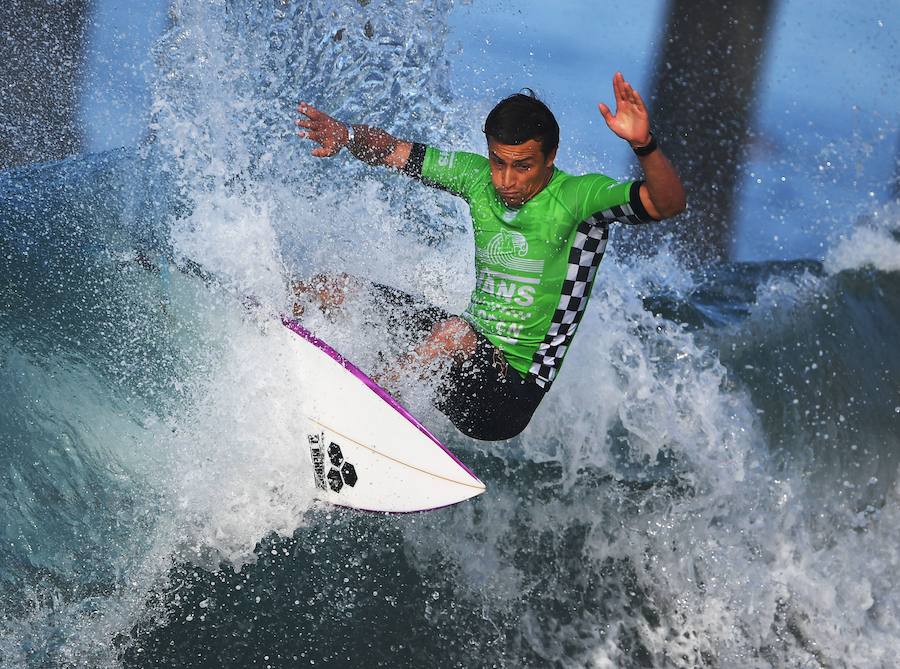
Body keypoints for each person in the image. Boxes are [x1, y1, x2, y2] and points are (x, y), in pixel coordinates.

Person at [294, 72, 686, 441]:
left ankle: (357, 412)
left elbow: (666, 204)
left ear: (551, 157)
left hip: (509, 399)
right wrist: (344, 135)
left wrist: (643, 144)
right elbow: (392, 150)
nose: (505, 180)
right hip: (455, 366)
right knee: (333, 289)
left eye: (522, 166)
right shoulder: (476, 177)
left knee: (454, 333)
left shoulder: (580, 199)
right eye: (498, 162)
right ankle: (261, 324)